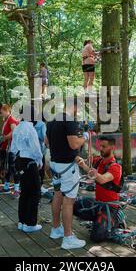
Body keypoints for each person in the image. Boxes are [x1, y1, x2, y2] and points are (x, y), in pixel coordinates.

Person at [46, 100, 88, 249]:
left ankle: (56, 229)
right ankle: (68, 237)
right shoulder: (69, 120)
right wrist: (86, 137)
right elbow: (74, 144)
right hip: (67, 166)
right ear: (74, 107)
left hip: (55, 164)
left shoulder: (52, 120)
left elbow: (47, 141)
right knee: (68, 201)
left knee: (57, 195)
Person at [11, 106, 44, 233]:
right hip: (30, 161)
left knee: (24, 191)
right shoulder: (30, 128)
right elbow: (36, 148)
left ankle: (22, 221)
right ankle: (30, 223)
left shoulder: (18, 127)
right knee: (34, 192)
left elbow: (13, 148)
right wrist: (39, 160)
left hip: (19, 160)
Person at [0, 104, 20, 197]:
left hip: (12, 147)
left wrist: (5, 137)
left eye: (2, 112)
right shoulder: (6, 120)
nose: (1, 114)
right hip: (7, 147)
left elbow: (14, 131)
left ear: (7, 110)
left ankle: (16, 188)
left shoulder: (11, 120)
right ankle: (6, 186)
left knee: (13, 167)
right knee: (7, 167)